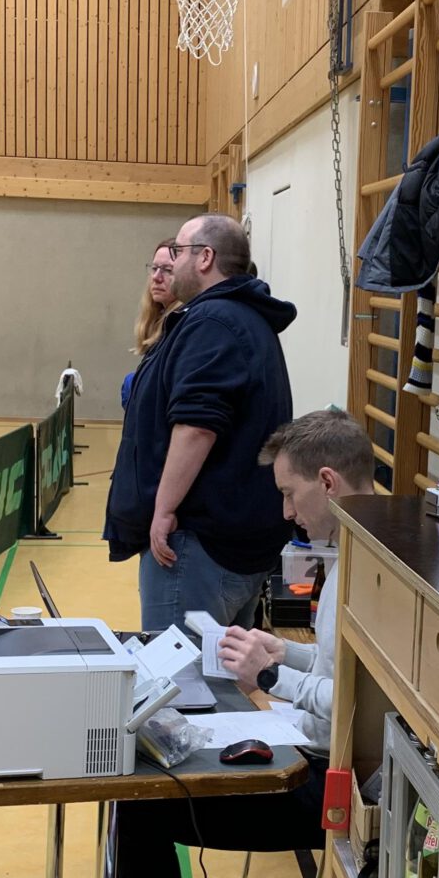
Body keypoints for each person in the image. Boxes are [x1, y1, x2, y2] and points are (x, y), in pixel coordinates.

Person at [111, 409, 374, 878]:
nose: (286, 512)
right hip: (309, 752)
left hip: (330, 786)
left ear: (327, 482)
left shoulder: (371, 571)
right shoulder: (353, 551)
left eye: (289, 494)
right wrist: (282, 651)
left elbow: (357, 703)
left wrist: (271, 677)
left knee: (143, 805)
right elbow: (340, 666)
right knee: (142, 790)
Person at [104, 213, 296, 632]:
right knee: (220, 668)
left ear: (205, 257)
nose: (171, 263)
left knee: (183, 672)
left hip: (197, 545)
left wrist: (164, 509)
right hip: (230, 542)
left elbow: (197, 427)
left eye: (178, 251)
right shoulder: (240, 316)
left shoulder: (213, 322)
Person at [123, 240, 178, 410]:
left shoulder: (181, 323)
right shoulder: (158, 319)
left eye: (168, 270)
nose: (156, 277)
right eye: (154, 268)